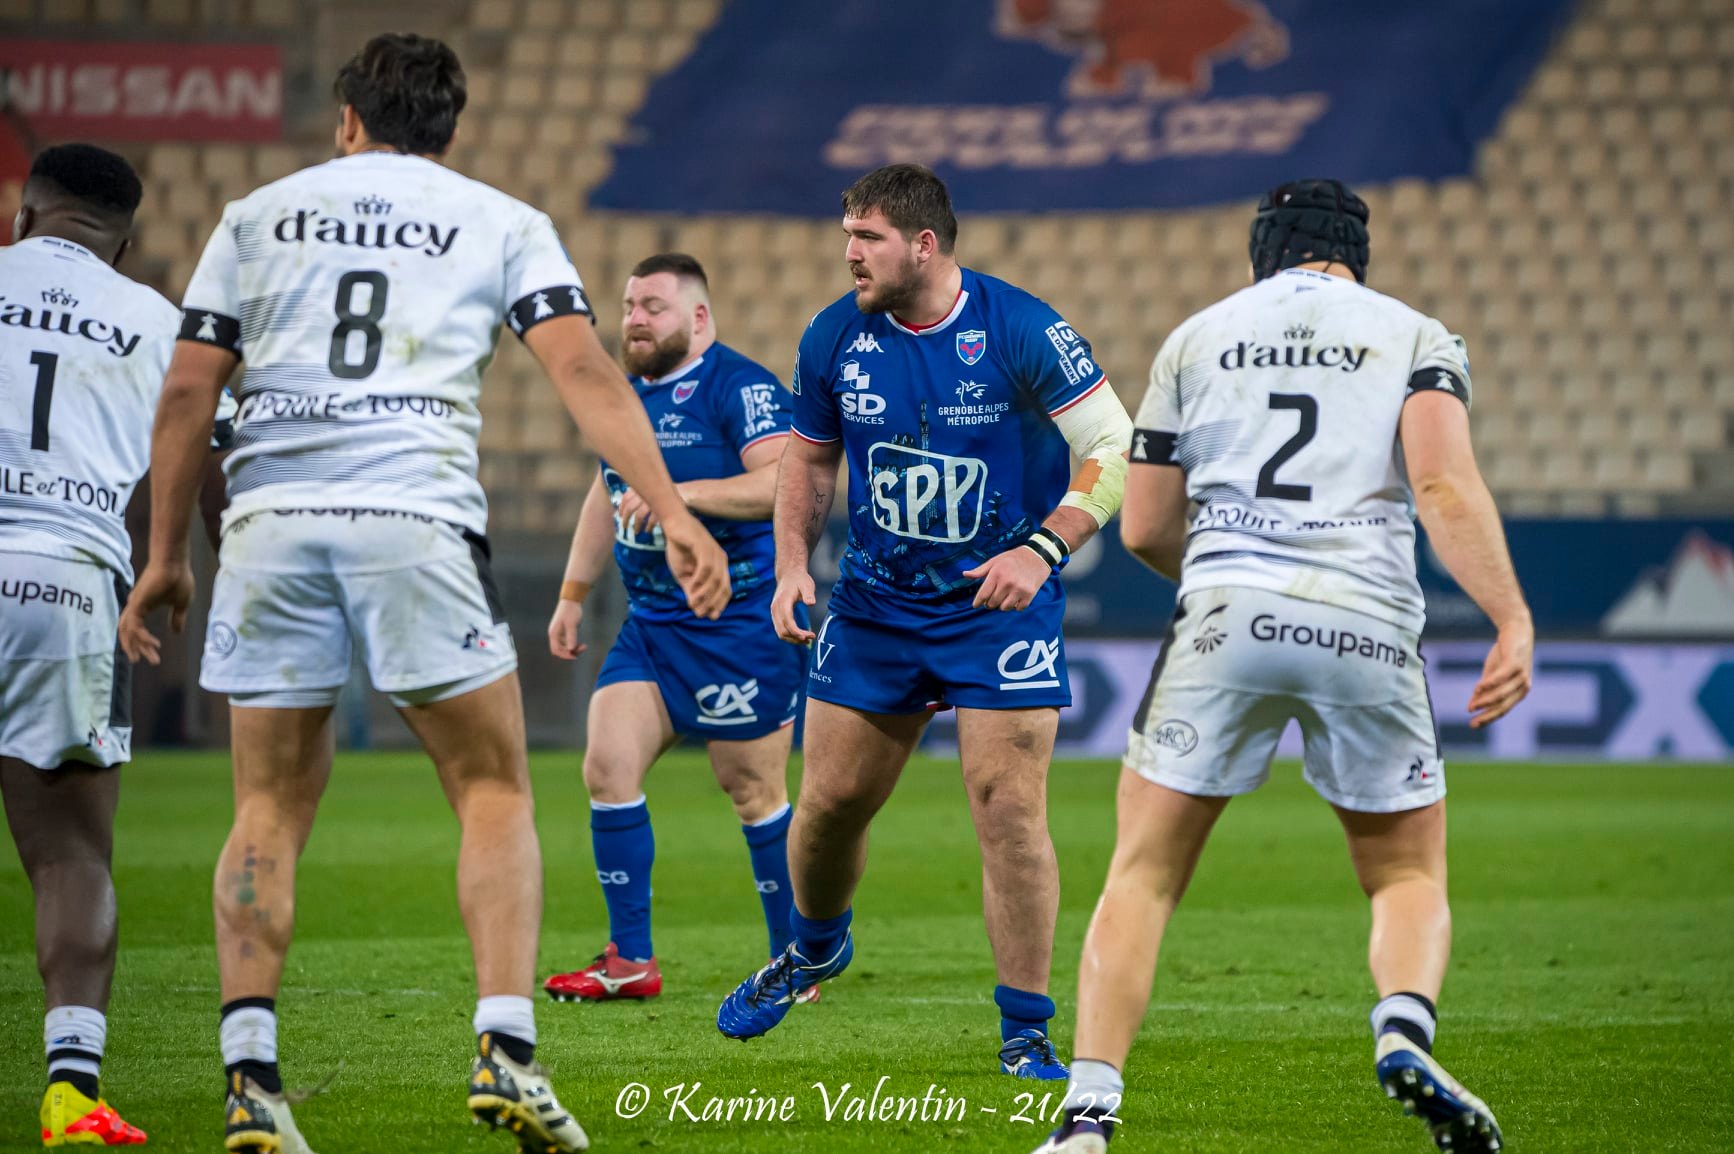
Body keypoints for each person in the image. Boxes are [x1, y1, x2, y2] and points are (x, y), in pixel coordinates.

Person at [117, 34, 729, 1154]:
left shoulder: (255, 214)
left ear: (348, 117)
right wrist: (674, 511)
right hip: (414, 516)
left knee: (266, 807)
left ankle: (250, 1077)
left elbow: (189, 392)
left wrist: (164, 555)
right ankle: (507, 1053)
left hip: (270, 520)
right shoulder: (500, 219)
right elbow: (583, 371)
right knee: (491, 786)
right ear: (449, 129)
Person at [1034, 179, 1531, 1154]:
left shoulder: (1195, 338)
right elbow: (1440, 482)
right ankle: (1402, 1025)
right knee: (1403, 868)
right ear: (1357, 253)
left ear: (1263, 251)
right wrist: (1509, 616)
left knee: (1144, 873)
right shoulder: (1416, 335)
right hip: (1366, 618)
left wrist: (1230, 580)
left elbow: (1143, 525)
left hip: (1226, 613)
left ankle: (1087, 1116)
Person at [716, 164, 1133, 1081]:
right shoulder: (833, 334)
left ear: (924, 244)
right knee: (828, 806)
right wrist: (791, 565)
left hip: (997, 606)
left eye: (866, 237)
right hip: (875, 604)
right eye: (847, 236)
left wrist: (1043, 551)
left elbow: (1113, 445)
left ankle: (1025, 1029)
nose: (850, 253)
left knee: (1008, 812)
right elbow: (808, 463)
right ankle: (814, 948)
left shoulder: (1022, 327)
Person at [541, 253, 813, 1003]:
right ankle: (630, 959)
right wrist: (572, 593)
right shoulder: (625, 395)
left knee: (751, 788)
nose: (634, 319)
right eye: (629, 305)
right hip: (653, 623)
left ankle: (795, 961)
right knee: (607, 768)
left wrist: (678, 496)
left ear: (697, 317)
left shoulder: (740, 386)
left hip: (739, 622)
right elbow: (606, 493)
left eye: (652, 307)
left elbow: (784, 482)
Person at [0, 143, 191, 1150]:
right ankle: (71, 1094)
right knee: (71, 851)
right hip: (67, 585)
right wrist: (181, 562)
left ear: (24, 215)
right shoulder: (156, 319)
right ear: (123, 244)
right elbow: (208, 455)